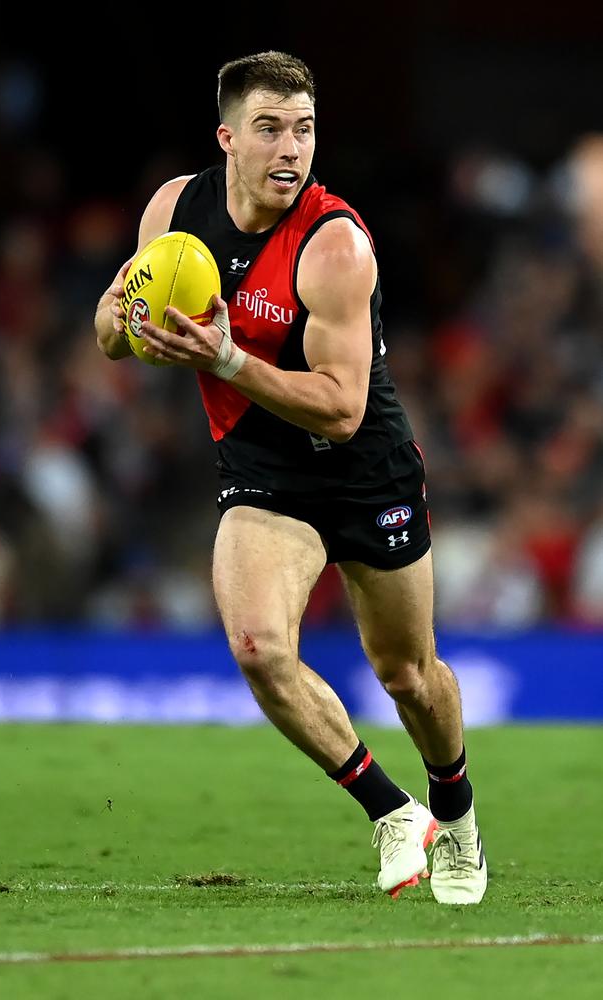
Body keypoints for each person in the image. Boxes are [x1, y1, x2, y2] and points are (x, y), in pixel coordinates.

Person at [94, 50, 487, 904]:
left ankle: (455, 813)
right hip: (265, 474)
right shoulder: (176, 211)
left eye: (304, 130)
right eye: (270, 128)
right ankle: (392, 813)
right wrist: (134, 325)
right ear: (227, 137)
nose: (291, 149)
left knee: (407, 674)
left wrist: (227, 358)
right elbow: (107, 324)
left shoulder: (335, 243)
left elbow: (342, 409)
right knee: (258, 647)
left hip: (364, 471)